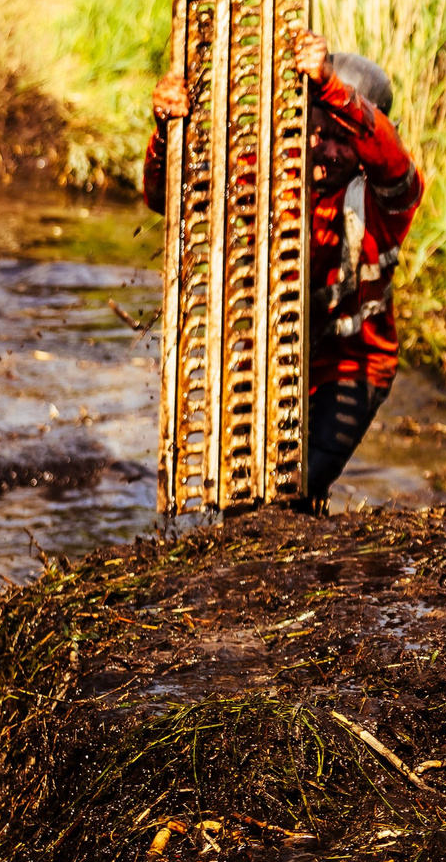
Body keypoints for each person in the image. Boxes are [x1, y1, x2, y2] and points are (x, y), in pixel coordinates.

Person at [145, 30, 422, 508]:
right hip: (272, 362)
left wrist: (333, 88)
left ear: (363, 145)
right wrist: (167, 129)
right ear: (300, 119)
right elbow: (166, 196)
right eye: (319, 130)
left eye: (344, 139)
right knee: (243, 498)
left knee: (289, 495)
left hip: (353, 368)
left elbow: (391, 155)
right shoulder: (269, 174)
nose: (328, 148)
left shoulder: (384, 200)